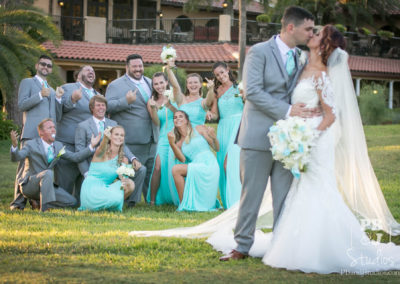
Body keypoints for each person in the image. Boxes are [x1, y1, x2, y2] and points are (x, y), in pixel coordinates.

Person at [219, 6, 316, 261]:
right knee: (252, 193)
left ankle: (281, 246)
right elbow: (252, 91)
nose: (311, 34)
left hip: (289, 141)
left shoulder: (302, 57)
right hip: (257, 135)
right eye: (308, 29)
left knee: (285, 196)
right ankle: (241, 246)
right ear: (291, 27)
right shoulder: (259, 52)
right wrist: (287, 111)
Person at [10, 118, 100, 212]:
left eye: (54, 127)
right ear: (41, 132)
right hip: (30, 186)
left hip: (47, 187)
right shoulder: (31, 144)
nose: (53, 130)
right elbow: (16, 157)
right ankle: (44, 209)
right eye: (49, 128)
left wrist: (91, 146)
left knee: (72, 202)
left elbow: (75, 157)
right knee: (48, 173)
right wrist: (15, 147)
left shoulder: (58, 146)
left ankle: (40, 201)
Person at [10, 55, 63, 211]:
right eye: (43, 64)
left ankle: (37, 200)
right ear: (37, 65)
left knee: (42, 168)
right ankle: (17, 204)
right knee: (23, 168)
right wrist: (40, 95)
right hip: (32, 132)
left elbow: (57, 116)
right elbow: (21, 105)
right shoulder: (28, 82)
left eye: (49, 66)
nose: (46, 67)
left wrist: (58, 99)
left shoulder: (52, 90)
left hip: (48, 137)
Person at [75, 95, 146, 205]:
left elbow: (123, 144)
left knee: (141, 169)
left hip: (115, 162)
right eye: (98, 105)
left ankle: (131, 202)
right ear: (91, 108)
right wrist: (86, 173)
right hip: (96, 167)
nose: (101, 108)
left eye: (103, 105)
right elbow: (79, 154)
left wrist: (133, 158)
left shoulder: (113, 123)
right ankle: (111, 200)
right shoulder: (82, 126)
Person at [106, 54, 156, 205]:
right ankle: (130, 201)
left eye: (140, 66)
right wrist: (125, 102)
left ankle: (150, 201)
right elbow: (106, 106)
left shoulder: (149, 82)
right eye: (134, 66)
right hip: (133, 137)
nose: (138, 69)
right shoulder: (115, 85)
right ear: (127, 67)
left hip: (153, 135)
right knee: (133, 170)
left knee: (151, 172)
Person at [56, 65, 100, 200]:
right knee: (65, 178)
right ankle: (61, 202)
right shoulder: (68, 88)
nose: (91, 72)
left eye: (93, 71)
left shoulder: (98, 95)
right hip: (69, 141)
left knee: (84, 179)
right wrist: (72, 100)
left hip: (89, 144)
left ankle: (81, 203)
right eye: (87, 70)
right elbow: (58, 110)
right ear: (78, 75)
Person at [167, 111, 220, 211]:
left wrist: (214, 137)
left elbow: (216, 148)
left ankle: (185, 205)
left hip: (209, 164)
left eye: (180, 116)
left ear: (186, 120)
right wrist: (172, 143)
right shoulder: (178, 142)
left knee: (176, 169)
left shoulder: (199, 129)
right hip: (196, 165)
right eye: (175, 117)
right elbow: (182, 159)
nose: (177, 119)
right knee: (175, 170)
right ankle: (183, 205)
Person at [210, 62, 244, 209]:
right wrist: (210, 115)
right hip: (223, 128)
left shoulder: (239, 88)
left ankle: (237, 200)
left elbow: (247, 105)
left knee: (230, 164)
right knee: (222, 165)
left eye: (222, 72)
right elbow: (216, 114)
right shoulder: (216, 91)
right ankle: (227, 201)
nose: (221, 76)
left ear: (228, 70)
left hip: (238, 126)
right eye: (218, 75)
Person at [79, 126, 135, 212]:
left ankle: (111, 203)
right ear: (110, 137)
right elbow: (102, 148)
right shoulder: (101, 153)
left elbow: (124, 181)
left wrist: (123, 176)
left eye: (122, 135)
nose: (119, 137)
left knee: (130, 184)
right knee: (116, 196)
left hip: (105, 188)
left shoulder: (124, 159)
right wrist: (105, 138)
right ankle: (110, 204)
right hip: (91, 189)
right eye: (116, 134)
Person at [146, 72, 178, 205]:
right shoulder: (151, 101)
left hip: (177, 134)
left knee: (175, 166)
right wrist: (153, 108)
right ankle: (152, 200)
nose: (159, 86)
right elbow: (157, 123)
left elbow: (181, 114)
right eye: (156, 84)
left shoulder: (174, 95)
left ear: (166, 82)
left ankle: (176, 197)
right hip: (164, 137)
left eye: (161, 82)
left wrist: (169, 104)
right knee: (158, 167)